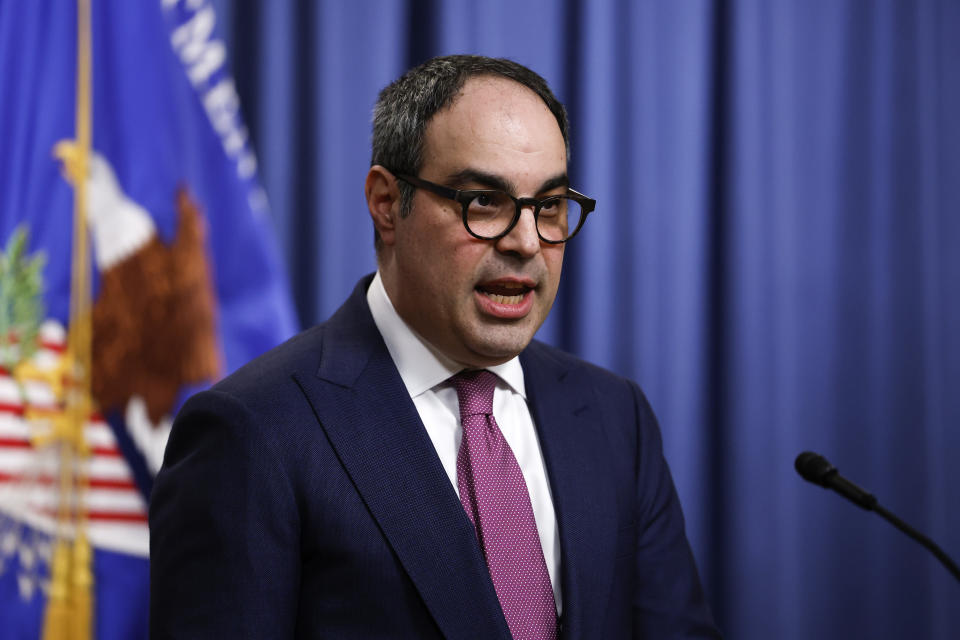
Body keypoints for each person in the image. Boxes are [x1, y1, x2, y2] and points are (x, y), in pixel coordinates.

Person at [149, 55, 721, 639]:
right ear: (386, 203)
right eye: (483, 202)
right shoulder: (254, 430)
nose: (527, 242)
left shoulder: (613, 415)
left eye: (548, 206)